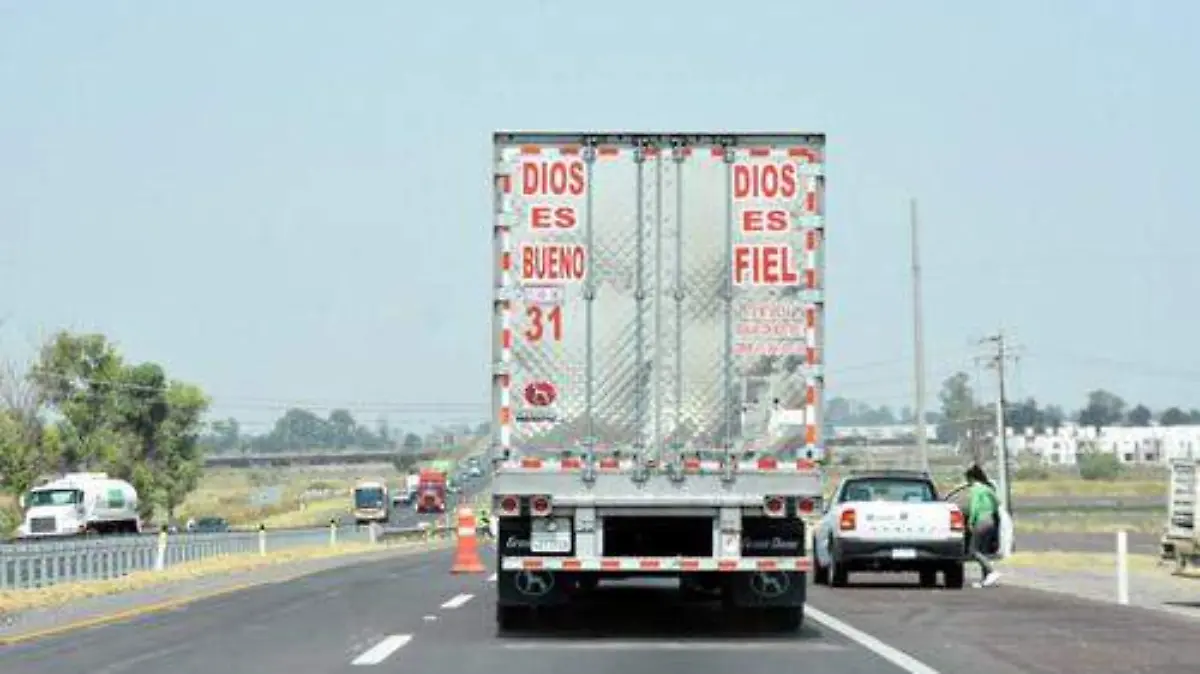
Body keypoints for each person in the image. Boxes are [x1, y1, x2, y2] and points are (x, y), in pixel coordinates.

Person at [964, 464, 1001, 588]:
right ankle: (985, 580)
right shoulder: (987, 488)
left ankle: (992, 571)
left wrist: (970, 521)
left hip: (981, 521)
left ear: (971, 478)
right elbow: (997, 502)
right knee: (983, 551)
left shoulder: (975, 489)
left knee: (973, 550)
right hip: (990, 521)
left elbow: (974, 507)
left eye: (967, 479)